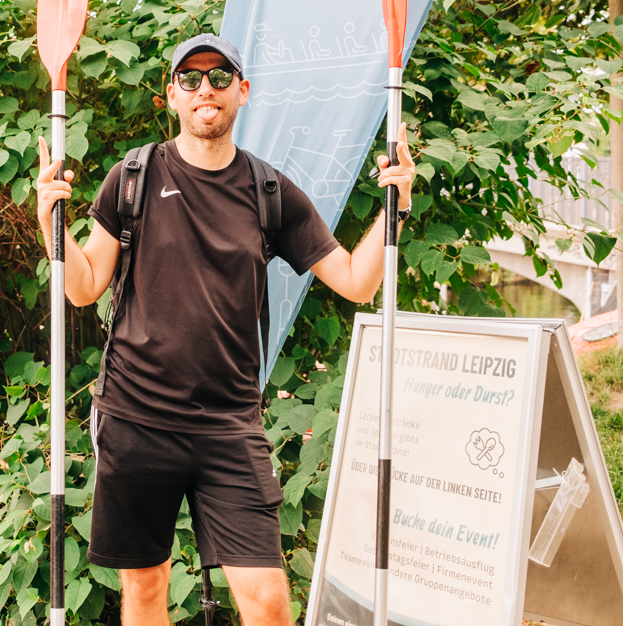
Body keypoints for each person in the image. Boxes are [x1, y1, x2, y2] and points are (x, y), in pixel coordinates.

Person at [35, 34, 416, 626]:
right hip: (137, 416)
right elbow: (84, 287)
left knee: (265, 600)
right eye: (189, 79)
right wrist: (50, 224)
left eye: (218, 76)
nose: (204, 89)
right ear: (172, 96)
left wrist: (397, 204)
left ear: (243, 90)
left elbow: (355, 281)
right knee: (145, 588)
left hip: (230, 426)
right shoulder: (131, 177)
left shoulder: (269, 192)